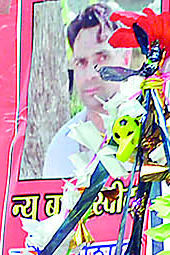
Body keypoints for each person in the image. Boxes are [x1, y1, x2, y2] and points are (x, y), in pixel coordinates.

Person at [40, 4, 124, 180]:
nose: (91, 75)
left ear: (126, 57)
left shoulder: (153, 131)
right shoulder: (62, 147)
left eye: (102, 58)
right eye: (81, 62)